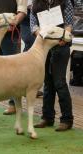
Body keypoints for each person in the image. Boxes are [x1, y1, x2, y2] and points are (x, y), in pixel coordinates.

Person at [30, 0, 74, 131]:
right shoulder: (36, 3)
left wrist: (62, 38)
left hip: (61, 46)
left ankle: (67, 119)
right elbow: (33, 25)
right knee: (47, 82)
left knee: (59, 82)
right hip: (44, 46)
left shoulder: (65, 2)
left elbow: (69, 24)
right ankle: (47, 117)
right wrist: (43, 36)